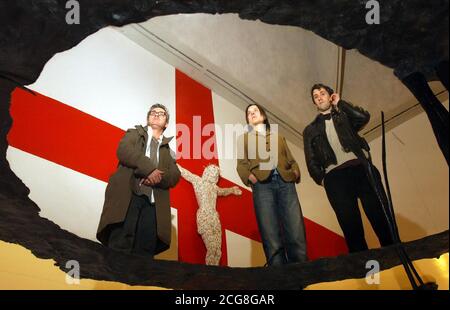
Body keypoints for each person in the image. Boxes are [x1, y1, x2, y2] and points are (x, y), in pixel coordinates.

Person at [303, 84, 393, 253]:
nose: (319, 97)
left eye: (322, 93)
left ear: (330, 96)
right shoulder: (310, 130)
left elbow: (363, 117)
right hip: (335, 179)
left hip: (362, 169)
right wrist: (324, 180)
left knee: (380, 214)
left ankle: (395, 252)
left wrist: (341, 103)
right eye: (316, 96)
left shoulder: (344, 116)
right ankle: (363, 266)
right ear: (315, 102)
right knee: (350, 225)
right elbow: (311, 160)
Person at [97, 104, 181, 257]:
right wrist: (149, 169)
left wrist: (156, 177)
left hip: (153, 205)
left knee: (145, 250)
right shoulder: (134, 133)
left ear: (166, 123)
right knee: (120, 243)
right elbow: (123, 150)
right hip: (129, 196)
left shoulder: (169, 151)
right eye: (153, 112)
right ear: (148, 118)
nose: (156, 115)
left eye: (161, 114)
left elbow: (175, 175)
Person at [236, 104, 307, 266]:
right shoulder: (244, 139)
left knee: (296, 230)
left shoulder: (278, 137)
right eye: (248, 113)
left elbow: (291, 160)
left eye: (255, 111)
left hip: (286, 184)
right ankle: (280, 280)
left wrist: (295, 172)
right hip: (262, 187)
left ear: (264, 116)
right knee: (270, 234)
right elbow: (241, 164)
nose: (251, 113)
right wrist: (251, 178)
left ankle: (303, 277)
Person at [177, 164, 242, 266]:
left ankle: (214, 271)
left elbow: (223, 191)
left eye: (216, 173)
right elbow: (186, 173)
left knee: (217, 250)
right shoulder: (198, 181)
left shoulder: (214, 187)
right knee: (212, 248)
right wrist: (174, 164)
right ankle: (210, 273)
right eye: (212, 171)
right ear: (207, 172)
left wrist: (232, 190)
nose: (214, 174)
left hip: (214, 218)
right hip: (204, 216)